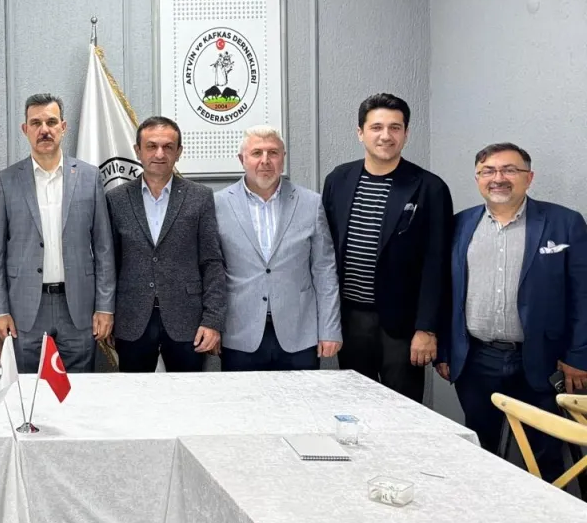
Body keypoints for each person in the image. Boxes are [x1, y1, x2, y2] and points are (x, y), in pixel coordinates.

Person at [438, 142, 587, 484]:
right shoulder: (460, 225)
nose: (498, 178)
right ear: (477, 179)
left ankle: (549, 513)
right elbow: (446, 293)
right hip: (476, 360)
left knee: (546, 454)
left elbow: (583, 294)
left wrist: (579, 355)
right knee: (482, 450)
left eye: (509, 170)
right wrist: (446, 349)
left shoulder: (565, 223)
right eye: (488, 171)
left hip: (543, 360)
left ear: (528, 177)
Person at [321, 93, 453, 403]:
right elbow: (326, 251)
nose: (385, 135)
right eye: (376, 127)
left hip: (403, 326)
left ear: (406, 133)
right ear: (360, 133)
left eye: (395, 127)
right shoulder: (338, 179)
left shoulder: (429, 187)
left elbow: (437, 264)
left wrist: (427, 329)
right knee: (354, 406)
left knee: (401, 409)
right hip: (351, 320)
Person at [0, 94, 115, 373]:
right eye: (36, 123)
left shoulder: (89, 177)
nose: (44, 129)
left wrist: (105, 307)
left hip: (78, 306)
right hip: (25, 310)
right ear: (25, 129)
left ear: (63, 127)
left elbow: (104, 248)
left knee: (78, 388)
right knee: (28, 389)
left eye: (51, 122)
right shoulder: (5, 181)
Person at [213, 126, 341, 371]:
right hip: (239, 333)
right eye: (256, 153)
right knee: (243, 397)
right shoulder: (218, 204)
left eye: (273, 152)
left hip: (300, 333)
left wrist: (330, 329)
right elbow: (211, 272)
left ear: (283, 157)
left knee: (302, 396)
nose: (265, 160)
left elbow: (324, 270)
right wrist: (213, 325)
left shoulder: (310, 202)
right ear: (242, 159)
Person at [105, 116, 225, 373]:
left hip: (188, 320)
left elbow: (212, 263)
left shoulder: (200, 197)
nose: (159, 154)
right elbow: (109, 264)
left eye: (168, 147)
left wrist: (212, 320)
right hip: (132, 320)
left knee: (188, 393)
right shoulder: (116, 199)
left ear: (178, 152)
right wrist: (107, 313)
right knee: (134, 393)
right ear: (138, 151)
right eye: (151, 146)